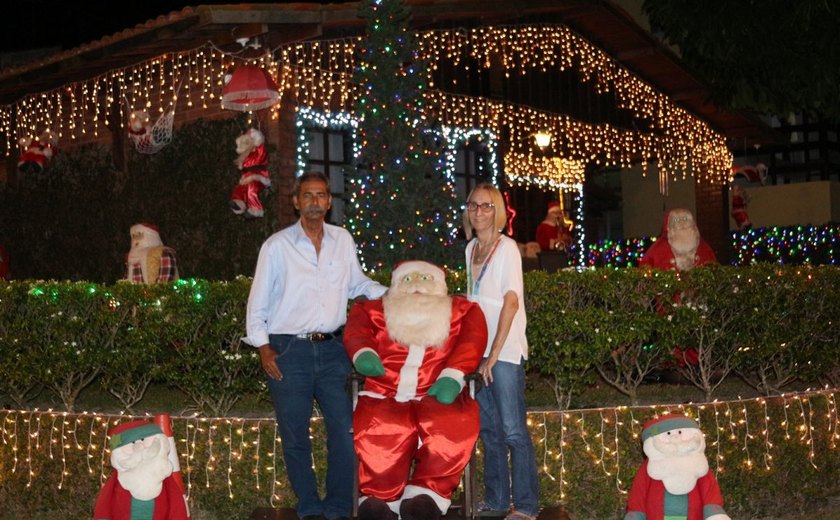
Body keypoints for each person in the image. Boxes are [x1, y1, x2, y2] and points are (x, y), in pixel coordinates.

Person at [244, 170, 387, 520]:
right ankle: (309, 506)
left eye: (321, 195)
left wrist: (398, 292)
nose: (315, 202)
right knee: (295, 435)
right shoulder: (276, 246)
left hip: (335, 351)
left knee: (345, 430)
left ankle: (338, 507)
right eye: (307, 195)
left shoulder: (343, 240)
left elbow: (357, 284)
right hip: (288, 351)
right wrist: (263, 347)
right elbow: (257, 303)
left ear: (329, 202)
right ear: (296, 202)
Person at [344, 260, 487, 520]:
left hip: (438, 390)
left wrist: (454, 375)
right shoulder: (374, 309)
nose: (417, 285)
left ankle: (426, 495)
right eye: (408, 280)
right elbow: (357, 330)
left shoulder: (461, 310)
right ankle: (381, 499)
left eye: (425, 279)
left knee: (450, 428)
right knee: (382, 430)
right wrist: (363, 353)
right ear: (396, 285)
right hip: (385, 391)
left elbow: (473, 338)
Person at [464, 183, 540, 520]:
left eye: (486, 206)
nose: (479, 211)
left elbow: (511, 302)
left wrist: (494, 354)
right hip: (478, 355)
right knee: (489, 431)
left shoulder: (507, 248)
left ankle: (525, 505)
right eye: (473, 206)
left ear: (498, 212)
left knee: (512, 430)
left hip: (504, 354)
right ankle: (496, 501)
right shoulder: (469, 250)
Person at [638, 208, 717, 272]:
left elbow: (714, 271)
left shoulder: (704, 249)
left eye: (685, 219)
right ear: (669, 227)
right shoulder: (657, 250)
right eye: (677, 220)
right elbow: (645, 272)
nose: (682, 223)